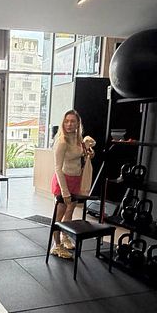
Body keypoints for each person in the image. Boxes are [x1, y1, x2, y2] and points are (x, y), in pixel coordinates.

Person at [49, 109, 95, 259]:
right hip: (63, 181)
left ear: (78, 123)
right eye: (66, 121)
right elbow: (57, 168)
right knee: (59, 215)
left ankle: (65, 237)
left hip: (76, 179)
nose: (69, 124)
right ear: (63, 123)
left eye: (72, 121)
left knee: (70, 212)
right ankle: (56, 246)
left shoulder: (78, 139)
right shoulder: (62, 142)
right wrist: (65, 191)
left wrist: (89, 153)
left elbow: (80, 156)